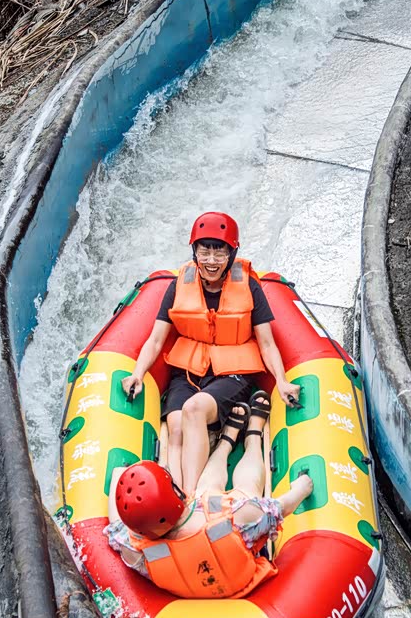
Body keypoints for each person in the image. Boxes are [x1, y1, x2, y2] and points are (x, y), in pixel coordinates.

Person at [121, 211, 300, 494]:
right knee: (177, 425)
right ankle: (177, 491)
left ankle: (191, 497)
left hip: (232, 373)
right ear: (195, 253)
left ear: (231, 254)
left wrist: (281, 381)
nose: (212, 261)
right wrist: (137, 373)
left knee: (193, 410)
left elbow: (267, 343)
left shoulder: (249, 286)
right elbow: (156, 340)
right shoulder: (180, 284)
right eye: (205, 252)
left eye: (220, 253)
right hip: (190, 373)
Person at [105, 395, 313, 599]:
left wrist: (119, 477)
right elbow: (278, 509)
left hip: (192, 588)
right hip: (243, 584)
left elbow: (115, 527)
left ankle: (226, 442)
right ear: (176, 493)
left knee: (205, 494)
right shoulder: (235, 517)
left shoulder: (133, 550)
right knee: (235, 490)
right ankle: (252, 437)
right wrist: (302, 488)